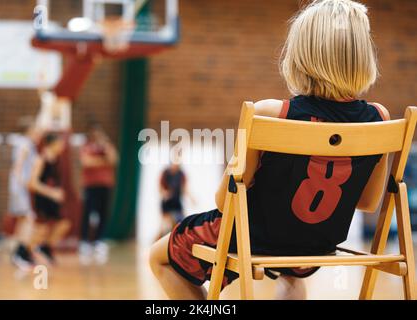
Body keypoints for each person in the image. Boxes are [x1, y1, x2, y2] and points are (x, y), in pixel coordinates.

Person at [150, 0, 390, 300]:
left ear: (301, 55)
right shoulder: (380, 118)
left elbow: (226, 201)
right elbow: (368, 202)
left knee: (159, 258)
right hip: (316, 245)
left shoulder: (269, 113)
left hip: (255, 238)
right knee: (291, 272)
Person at [79, 124, 118, 265]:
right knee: (88, 212)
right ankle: (84, 241)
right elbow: (86, 162)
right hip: (90, 185)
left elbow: (113, 160)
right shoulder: (86, 146)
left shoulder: (106, 146)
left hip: (105, 185)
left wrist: (105, 147)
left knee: (103, 213)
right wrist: (102, 161)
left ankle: (99, 240)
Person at [29, 133, 71, 265]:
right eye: (60, 143)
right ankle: (23, 251)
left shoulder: (56, 160)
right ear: (52, 144)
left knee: (64, 224)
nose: (62, 146)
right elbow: (32, 183)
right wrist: (52, 192)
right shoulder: (41, 159)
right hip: (42, 199)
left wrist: (57, 193)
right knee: (41, 229)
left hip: (52, 200)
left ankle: (45, 248)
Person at [8, 117, 42, 270]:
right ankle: (19, 253)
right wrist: (22, 182)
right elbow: (19, 164)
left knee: (24, 219)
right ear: (30, 130)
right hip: (19, 187)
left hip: (18, 186)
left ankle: (21, 253)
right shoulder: (25, 143)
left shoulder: (25, 142)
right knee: (29, 219)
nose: (37, 132)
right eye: (35, 129)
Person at [158, 161, 194, 239]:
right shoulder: (165, 173)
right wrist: (165, 193)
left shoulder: (181, 174)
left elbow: (184, 188)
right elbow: (160, 188)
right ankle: (155, 245)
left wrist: (192, 198)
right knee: (164, 227)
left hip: (177, 204)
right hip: (167, 204)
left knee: (181, 225)